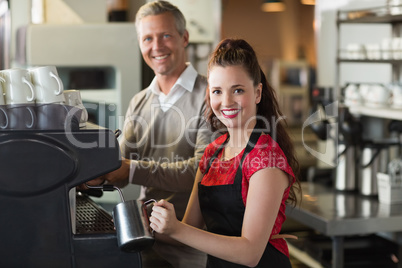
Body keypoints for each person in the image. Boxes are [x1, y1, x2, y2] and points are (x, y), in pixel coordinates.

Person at [149, 38, 301, 267]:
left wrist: (177, 229)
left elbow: (250, 253)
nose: (226, 101)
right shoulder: (213, 153)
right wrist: (152, 224)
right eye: (217, 91)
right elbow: (189, 230)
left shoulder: (265, 158)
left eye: (238, 90)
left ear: (257, 93)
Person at [91, 1, 211, 267]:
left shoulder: (211, 97)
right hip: (148, 240)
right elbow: (119, 167)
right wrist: (91, 174)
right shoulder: (139, 102)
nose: (156, 46)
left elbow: (203, 173)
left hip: (194, 249)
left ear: (185, 37)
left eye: (165, 35)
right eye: (147, 38)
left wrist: (131, 170)